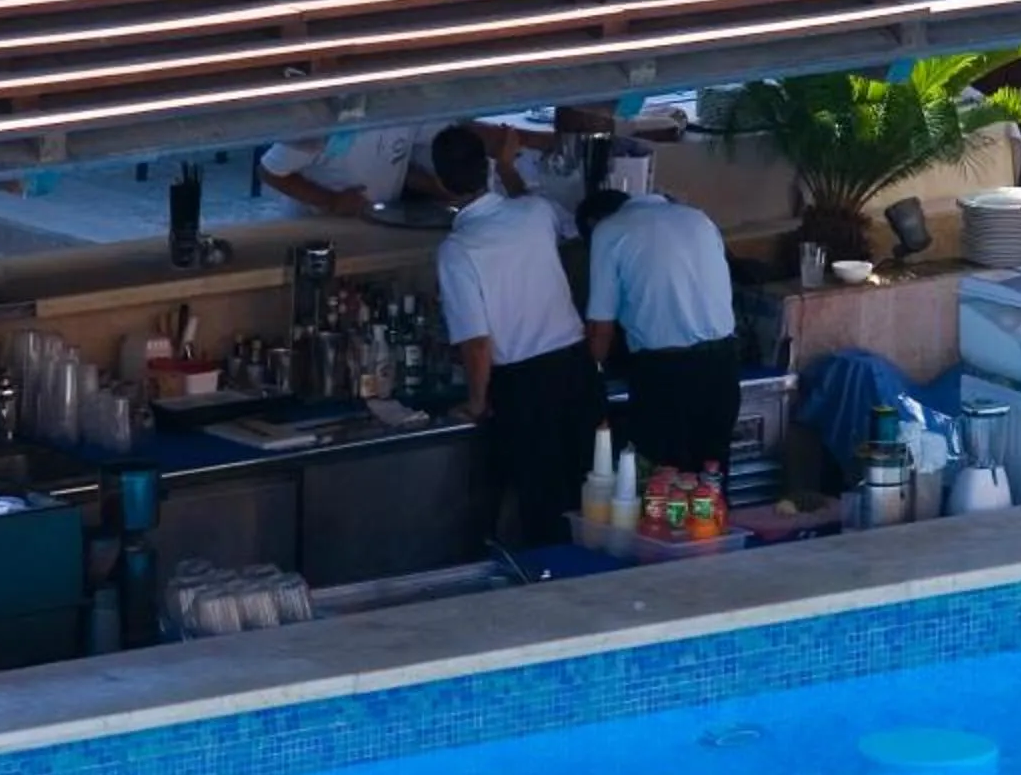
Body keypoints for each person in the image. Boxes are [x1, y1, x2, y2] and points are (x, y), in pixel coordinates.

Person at [431, 123, 602, 545]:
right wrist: (507, 166)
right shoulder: (534, 213)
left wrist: (475, 402)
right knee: (594, 497)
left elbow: (476, 345)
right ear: (485, 166)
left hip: (526, 389)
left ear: (440, 182)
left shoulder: (458, 250)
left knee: (544, 510)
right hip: (579, 372)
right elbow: (535, 205)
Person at [580, 187, 740, 473]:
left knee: (664, 483)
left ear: (594, 222)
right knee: (711, 483)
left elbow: (600, 331)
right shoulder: (698, 219)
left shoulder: (608, 231)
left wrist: (588, 375)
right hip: (724, 366)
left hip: (667, 373)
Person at [258, 125, 435, 218]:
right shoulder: (324, 119)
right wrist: (332, 201)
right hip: (317, 230)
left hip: (377, 225)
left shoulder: (408, 109)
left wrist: (443, 189)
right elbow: (269, 171)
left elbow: (396, 164)